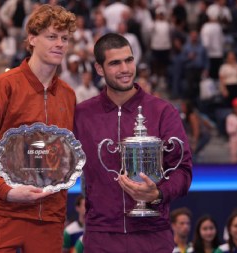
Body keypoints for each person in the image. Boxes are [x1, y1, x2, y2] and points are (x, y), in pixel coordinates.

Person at [0, 5, 77, 253]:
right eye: (52, 36)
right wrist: (7, 192)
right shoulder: (2, 87)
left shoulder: (68, 95)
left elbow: (67, 157)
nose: (60, 44)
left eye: (65, 38)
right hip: (1, 213)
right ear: (32, 39)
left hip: (49, 216)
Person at [73, 33, 192, 252]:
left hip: (153, 234)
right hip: (101, 236)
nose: (125, 69)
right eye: (115, 63)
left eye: (129, 60)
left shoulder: (162, 111)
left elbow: (183, 171)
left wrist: (158, 193)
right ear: (99, 69)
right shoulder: (82, 115)